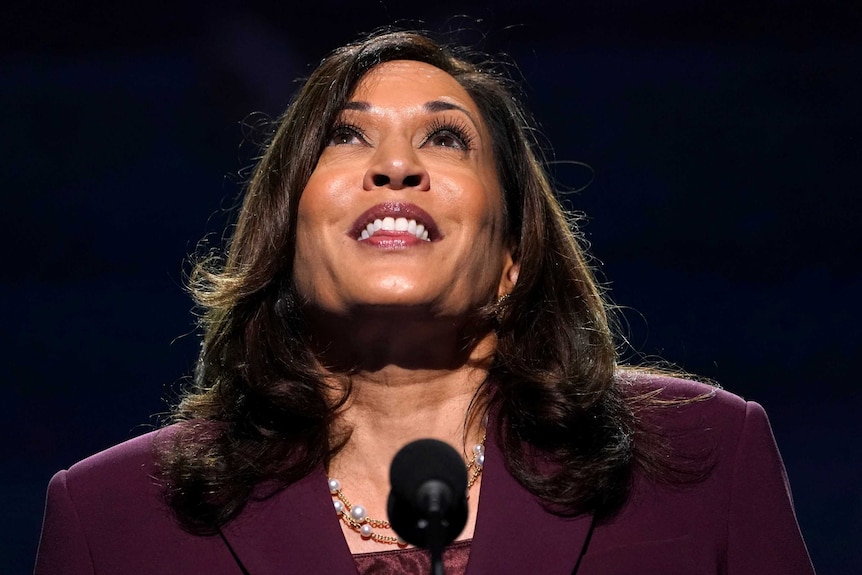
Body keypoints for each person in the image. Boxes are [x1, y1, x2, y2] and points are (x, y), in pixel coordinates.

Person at [34, 30, 815, 574]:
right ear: (286, 242)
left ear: (512, 257)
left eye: (446, 139)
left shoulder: (704, 456)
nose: (397, 165)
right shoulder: (111, 517)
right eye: (346, 136)